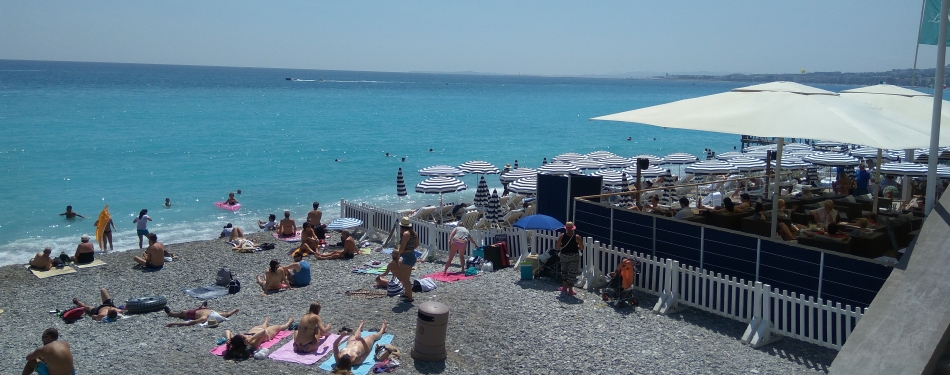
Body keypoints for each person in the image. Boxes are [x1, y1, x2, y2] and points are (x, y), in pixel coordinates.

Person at [223, 317, 294, 360]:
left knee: (263, 325)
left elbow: (227, 330)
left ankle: (265, 322)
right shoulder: (253, 344)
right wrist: (251, 338)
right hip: (268, 333)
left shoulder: (239, 340)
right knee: (280, 327)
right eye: (243, 336)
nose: (242, 334)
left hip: (255, 330)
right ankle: (289, 323)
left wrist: (228, 338)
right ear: (244, 342)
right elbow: (263, 332)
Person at [394, 217, 418, 303]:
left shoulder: (405, 234)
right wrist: (410, 249)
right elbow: (416, 245)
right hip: (412, 255)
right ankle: (407, 293)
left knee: (405, 279)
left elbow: (402, 247)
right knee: (405, 277)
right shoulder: (414, 233)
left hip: (407, 257)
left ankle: (410, 297)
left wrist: (398, 254)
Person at [556, 222, 584, 296]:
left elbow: (558, 245)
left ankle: (564, 288)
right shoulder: (577, 237)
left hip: (564, 255)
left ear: (566, 229)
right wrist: (576, 246)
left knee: (564, 271)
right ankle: (570, 290)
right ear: (573, 229)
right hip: (574, 256)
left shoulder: (562, 236)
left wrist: (563, 245)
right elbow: (582, 248)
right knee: (572, 273)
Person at [164, 301, 239, 327]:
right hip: (206, 310)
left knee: (183, 313)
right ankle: (203, 306)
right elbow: (227, 314)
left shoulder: (203, 318)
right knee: (224, 314)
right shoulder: (216, 314)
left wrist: (174, 323)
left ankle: (171, 313)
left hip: (195, 313)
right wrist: (235, 310)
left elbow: (189, 322)